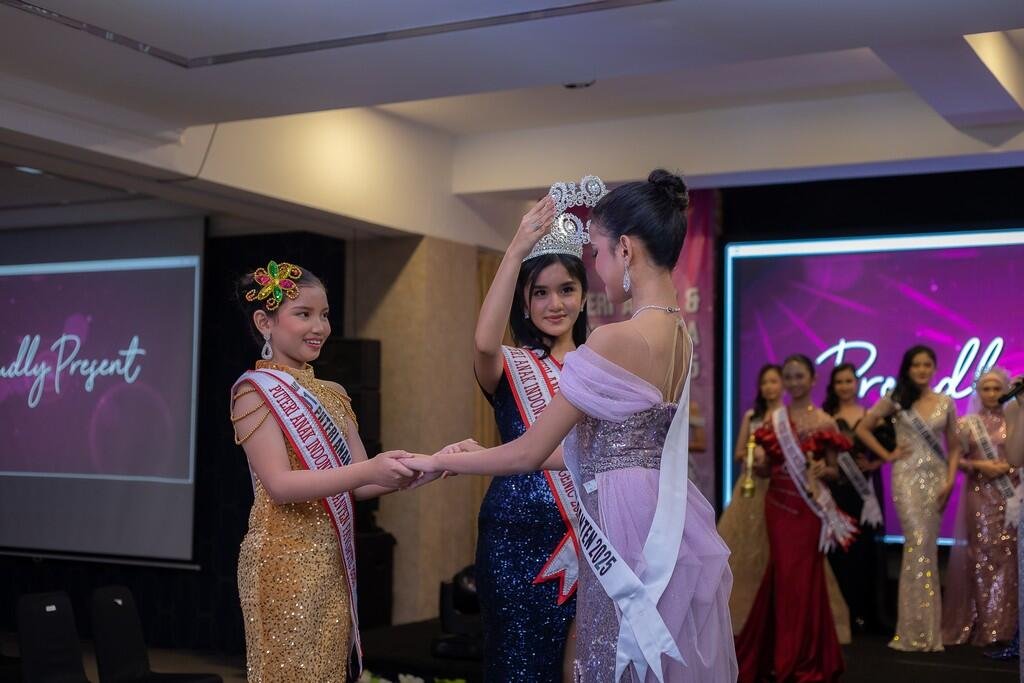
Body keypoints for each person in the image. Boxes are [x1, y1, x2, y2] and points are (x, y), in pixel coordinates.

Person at [405, 170, 737, 682]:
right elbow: (601, 448)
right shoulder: (679, 334)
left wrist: (440, 461)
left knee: (612, 656)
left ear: (624, 249)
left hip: (619, 516)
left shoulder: (613, 340)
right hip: (660, 511)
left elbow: (529, 453)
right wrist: (474, 455)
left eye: (598, 253)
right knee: (643, 654)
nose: (598, 269)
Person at [230, 261, 420, 682]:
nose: (320, 327)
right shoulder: (255, 392)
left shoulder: (333, 393)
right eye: (304, 314)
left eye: (325, 315)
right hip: (281, 564)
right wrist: (370, 470)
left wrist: (427, 467)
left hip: (332, 562)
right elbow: (280, 485)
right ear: (264, 322)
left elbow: (361, 481)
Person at [472, 178, 603, 681]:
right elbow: (485, 343)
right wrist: (515, 251)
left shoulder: (601, 369)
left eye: (566, 290)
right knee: (516, 667)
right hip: (513, 540)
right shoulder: (510, 365)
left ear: (583, 296)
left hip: (586, 540)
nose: (554, 304)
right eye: (540, 293)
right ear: (523, 302)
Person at [735, 354, 853, 683]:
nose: (793, 382)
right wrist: (759, 462)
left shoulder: (826, 422)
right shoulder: (775, 421)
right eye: (788, 376)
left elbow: (835, 472)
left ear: (813, 379)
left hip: (809, 510)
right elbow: (763, 470)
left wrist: (823, 469)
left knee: (804, 581)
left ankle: (801, 656)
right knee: (786, 579)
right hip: (779, 507)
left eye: (800, 376)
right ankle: (783, 655)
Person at [856, 345, 961, 652]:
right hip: (906, 478)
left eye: (927, 364)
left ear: (935, 368)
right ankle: (913, 632)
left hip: (937, 480)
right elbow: (863, 429)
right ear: (908, 368)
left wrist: (951, 480)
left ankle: (927, 632)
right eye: (916, 364)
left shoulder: (946, 402)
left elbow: (954, 447)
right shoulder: (896, 399)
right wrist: (888, 454)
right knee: (917, 543)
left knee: (927, 548)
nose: (922, 370)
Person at [942, 368, 1019, 647]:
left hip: (1012, 497)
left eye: (997, 389)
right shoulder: (966, 424)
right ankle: (987, 625)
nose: (992, 394)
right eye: (986, 389)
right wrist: (979, 465)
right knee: (982, 555)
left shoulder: (1015, 420)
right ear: (978, 392)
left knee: (1010, 557)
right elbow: (954, 459)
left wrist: (1010, 467)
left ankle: (1007, 626)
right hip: (980, 494)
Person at [822, 363, 886, 634]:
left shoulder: (871, 416)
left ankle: (865, 613)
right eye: (840, 382)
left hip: (865, 492)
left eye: (849, 381)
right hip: (836, 490)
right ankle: (841, 613)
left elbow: (890, 447)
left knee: (865, 550)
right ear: (833, 386)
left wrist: (876, 463)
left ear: (858, 384)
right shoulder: (825, 417)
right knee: (839, 549)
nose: (845, 386)